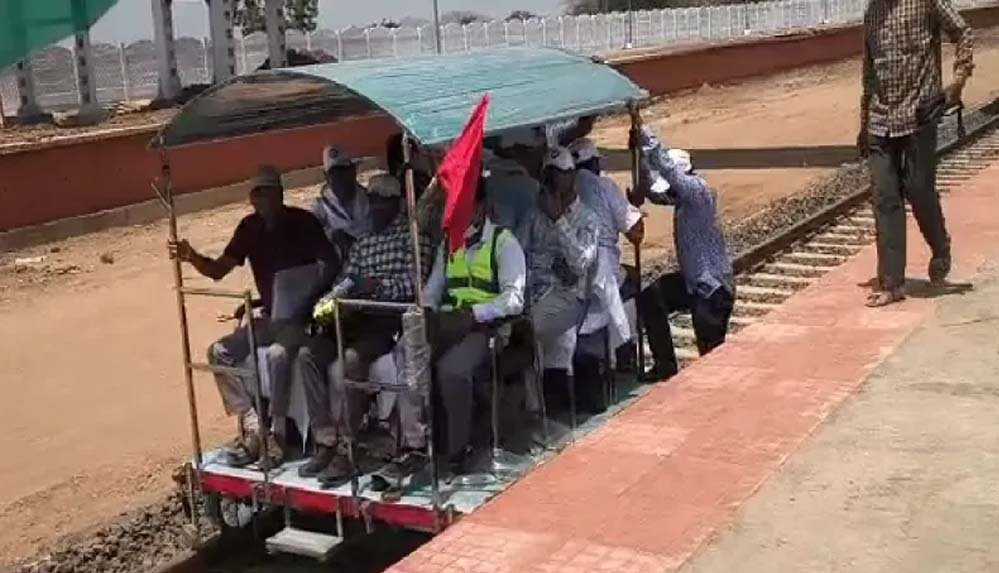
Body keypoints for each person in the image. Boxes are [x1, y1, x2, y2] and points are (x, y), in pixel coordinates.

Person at [169, 166, 339, 467]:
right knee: (219, 352)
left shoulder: (303, 222)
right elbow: (218, 270)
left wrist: (309, 296)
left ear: (280, 193)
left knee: (277, 355)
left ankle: (279, 437)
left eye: (266, 192)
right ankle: (254, 426)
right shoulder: (249, 228)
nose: (261, 199)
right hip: (271, 316)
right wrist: (191, 256)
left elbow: (330, 263)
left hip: (302, 317)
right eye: (256, 194)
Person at [295, 173, 432, 484]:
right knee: (307, 355)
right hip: (352, 315)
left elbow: (416, 284)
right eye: (373, 200)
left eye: (384, 200)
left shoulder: (413, 237)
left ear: (397, 203)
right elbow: (346, 279)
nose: (377, 206)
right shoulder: (364, 241)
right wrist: (327, 304)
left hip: (388, 318)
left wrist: (376, 287)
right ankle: (325, 440)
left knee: (351, 361)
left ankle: (348, 447)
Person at [858, 0, 973, 307]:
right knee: (885, 198)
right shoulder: (872, 12)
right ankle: (891, 283)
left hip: (919, 114)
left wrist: (958, 82)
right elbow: (869, 72)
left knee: (919, 189)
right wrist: (863, 121)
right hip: (881, 119)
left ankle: (940, 247)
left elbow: (962, 32)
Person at [424, 178, 527, 467]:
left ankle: (458, 449)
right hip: (447, 323)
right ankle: (415, 444)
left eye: (463, 206)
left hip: (485, 328)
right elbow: (432, 290)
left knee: (452, 371)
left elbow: (514, 299)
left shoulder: (503, 242)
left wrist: (474, 314)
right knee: (405, 362)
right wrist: (428, 310)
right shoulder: (448, 244)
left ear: (480, 207)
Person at [633, 120, 734, 381]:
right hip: (694, 283)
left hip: (712, 289)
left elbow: (669, 171)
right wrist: (640, 159)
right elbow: (652, 192)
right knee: (652, 297)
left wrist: (646, 139)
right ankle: (665, 365)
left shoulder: (698, 191)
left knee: (711, 359)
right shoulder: (682, 200)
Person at [517, 146, 599, 409]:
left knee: (527, 331)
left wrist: (559, 221)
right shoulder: (533, 215)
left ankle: (541, 404)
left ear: (571, 177)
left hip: (569, 299)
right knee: (510, 328)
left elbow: (581, 264)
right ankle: (532, 405)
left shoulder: (587, 219)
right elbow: (518, 253)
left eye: (560, 176)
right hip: (533, 294)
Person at [312, 146, 371, 257]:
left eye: (343, 172)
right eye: (334, 174)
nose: (339, 178)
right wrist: (332, 235)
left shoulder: (371, 199)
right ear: (327, 177)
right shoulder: (320, 208)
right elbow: (312, 240)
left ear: (353, 172)